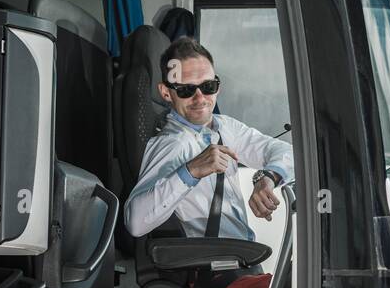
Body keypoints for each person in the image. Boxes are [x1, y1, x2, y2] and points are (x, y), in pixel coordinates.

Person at [124, 36, 293, 242]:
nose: (200, 98)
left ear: (218, 86)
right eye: (186, 90)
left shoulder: (224, 127)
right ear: (166, 93)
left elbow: (286, 152)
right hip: (213, 265)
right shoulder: (173, 144)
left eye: (208, 86)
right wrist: (191, 171)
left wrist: (267, 178)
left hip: (242, 256)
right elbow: (135, 223)